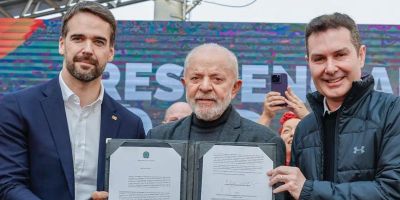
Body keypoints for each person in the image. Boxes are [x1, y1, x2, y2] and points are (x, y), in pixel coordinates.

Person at [0, 2, 145, 200]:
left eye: (99, 42)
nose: (87, 49)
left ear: (111, 52)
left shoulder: (130, 125)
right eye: (78, 38)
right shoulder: (17, 108)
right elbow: (8, 184)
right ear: (62, 44)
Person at [267, 12, 400, 199]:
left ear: (361, 55)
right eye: (319, 59)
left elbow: (392, 191)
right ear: (309, 63)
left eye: (340, 55)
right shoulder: (304, 128)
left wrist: (308, 190)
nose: (330, 68)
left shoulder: (393, 112)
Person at [147, 44, 286, 199]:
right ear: (184, 84)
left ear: (235, 87)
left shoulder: (265, 141)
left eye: (217, 79)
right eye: (195, 78)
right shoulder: (158, 137)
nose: (205, 87)